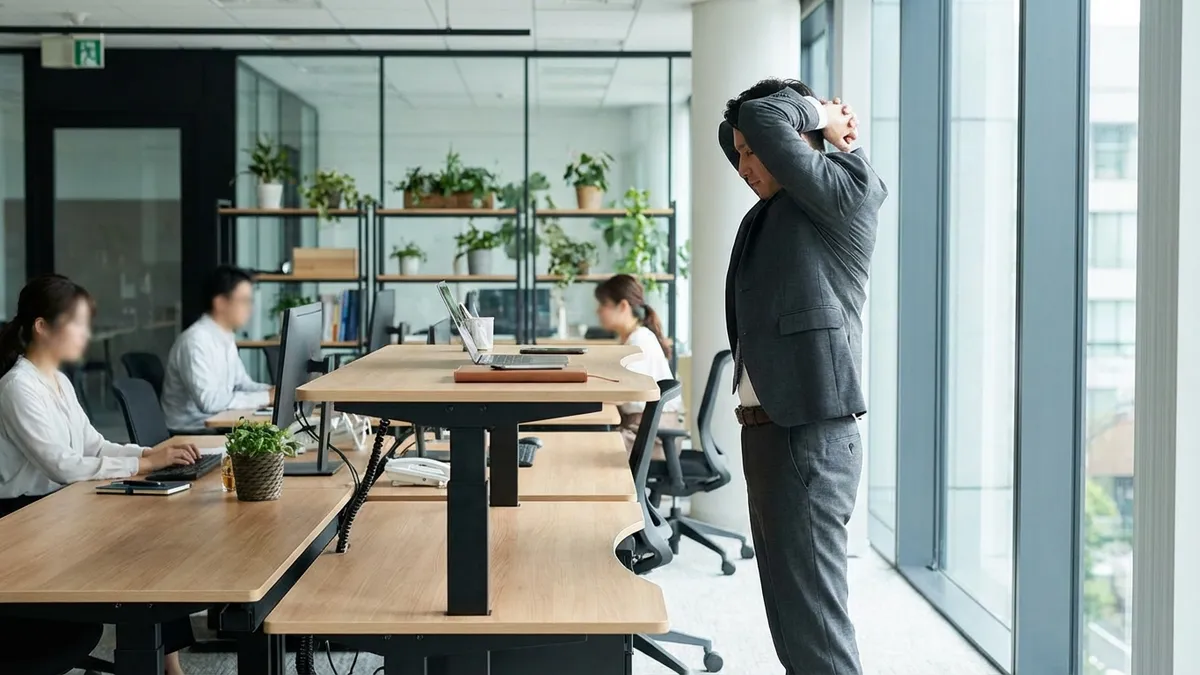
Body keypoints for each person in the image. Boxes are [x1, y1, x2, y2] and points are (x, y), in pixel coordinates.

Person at [718, 78, 887, 675]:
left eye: (752, 151)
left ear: (797, 135)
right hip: (768, 431)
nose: (743, 165)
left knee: (816, 623)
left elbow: (765, 117)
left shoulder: (846, 189)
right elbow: (749, 125)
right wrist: (752, 131)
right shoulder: (781, 206)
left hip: (809, 433)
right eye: (739, 153)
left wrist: (821, 114)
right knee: (790, 615)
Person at [0, 275, 199, 675]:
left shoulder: (56, 381)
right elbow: (62, 464)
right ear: (42, 326)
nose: (86, 333)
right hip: (22, 521)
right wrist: (145, 465)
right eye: (76, 322)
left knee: (151, 543)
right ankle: (163, 664)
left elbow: (91, 445)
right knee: (138, 546)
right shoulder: (18, 386)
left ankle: (168, 663)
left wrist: (149, 452)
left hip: (57, 510)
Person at [162, 265, 272, 431]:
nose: (250, 309)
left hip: (218, 422)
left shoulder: (225, 336)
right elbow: (209, 402)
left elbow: (242, 383)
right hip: (193, 433)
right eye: (244, 301)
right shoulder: (196, 341)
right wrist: (266, 397)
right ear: (220, 303)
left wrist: (275, 392)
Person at [593, 274, 682, 454]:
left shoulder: (639, 342)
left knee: (585, 448)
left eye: (604, 304)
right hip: (643, 428)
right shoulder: (633, 338)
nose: (598, 311)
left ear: (623, 306)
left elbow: (621, 394)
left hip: (651, 436)